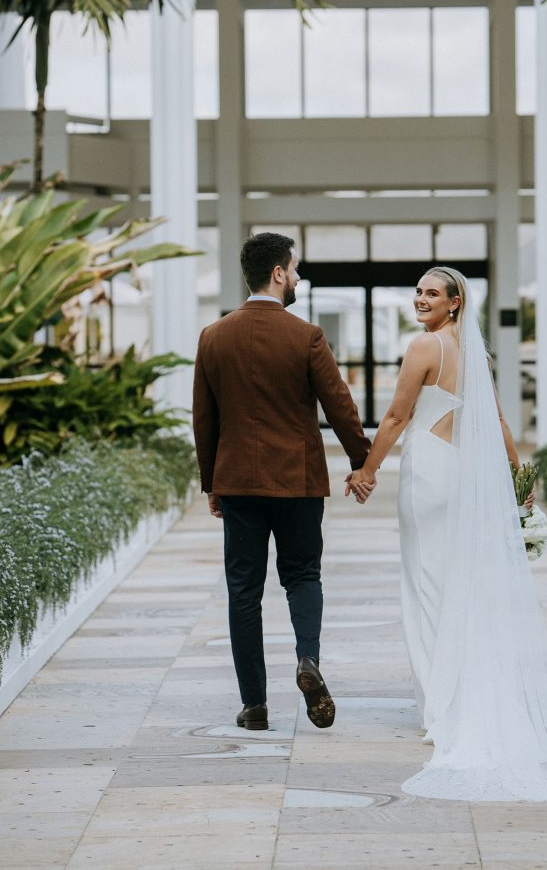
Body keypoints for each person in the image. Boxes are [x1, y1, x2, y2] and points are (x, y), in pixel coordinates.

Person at [347, 266, 547, 802]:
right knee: (458, 582)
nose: (420, 300)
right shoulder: (476, 354)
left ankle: (440, 706)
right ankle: (457, 693)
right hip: (463, 474)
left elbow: (394, 416)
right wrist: (519, 478)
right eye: (418, 293)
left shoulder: (424, 347)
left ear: (454, 303)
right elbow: (499, 421)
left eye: (432, 293)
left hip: (429, 471)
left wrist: (367, 470)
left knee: (425, 585)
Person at [193, 232, 371, 733]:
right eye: (293, 269)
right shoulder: (307, 336)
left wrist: (213, 483)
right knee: (303, 577)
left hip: (240, 484)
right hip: (298, 481)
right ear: (277, 273)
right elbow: (340, 407)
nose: (296, 277)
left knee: (244, 592)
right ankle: (308, 660)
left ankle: (254, 706)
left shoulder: (213, 336)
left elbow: (203, 420)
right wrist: (363, 462)